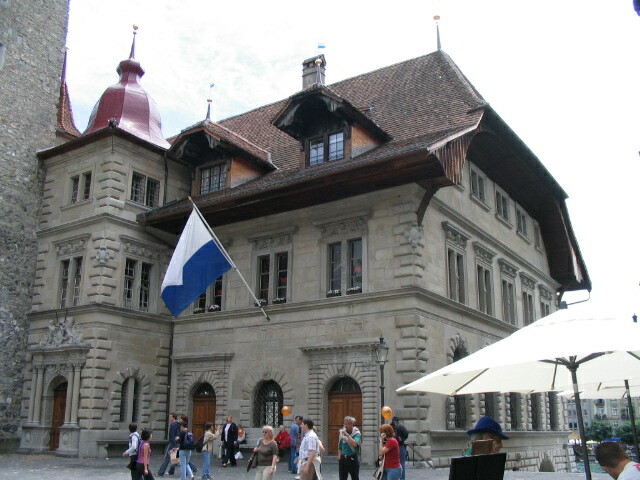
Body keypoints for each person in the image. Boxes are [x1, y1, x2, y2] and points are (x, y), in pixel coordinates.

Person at [157, 413, 181, 477]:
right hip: (176, 442)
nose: (169, 418)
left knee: (167, 458)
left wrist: (173, 444)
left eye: (170, 417)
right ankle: (171, 471)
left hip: (173, 443)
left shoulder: (173, 425)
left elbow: (172, 435)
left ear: (173, 417)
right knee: (174, 458)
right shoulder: (178, 424)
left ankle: (160, 472)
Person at [338, 416, 361, 480]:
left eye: (349, 424)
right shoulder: (342, 434)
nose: (347, 426)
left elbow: (355, 444)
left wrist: (347, 435)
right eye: (345, 424)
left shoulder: (356, 433)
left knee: (355, 477)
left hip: (352, 458)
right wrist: (339, 458)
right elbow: (339, 447)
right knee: (342, 478)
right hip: (343, 458)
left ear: (352, 424)